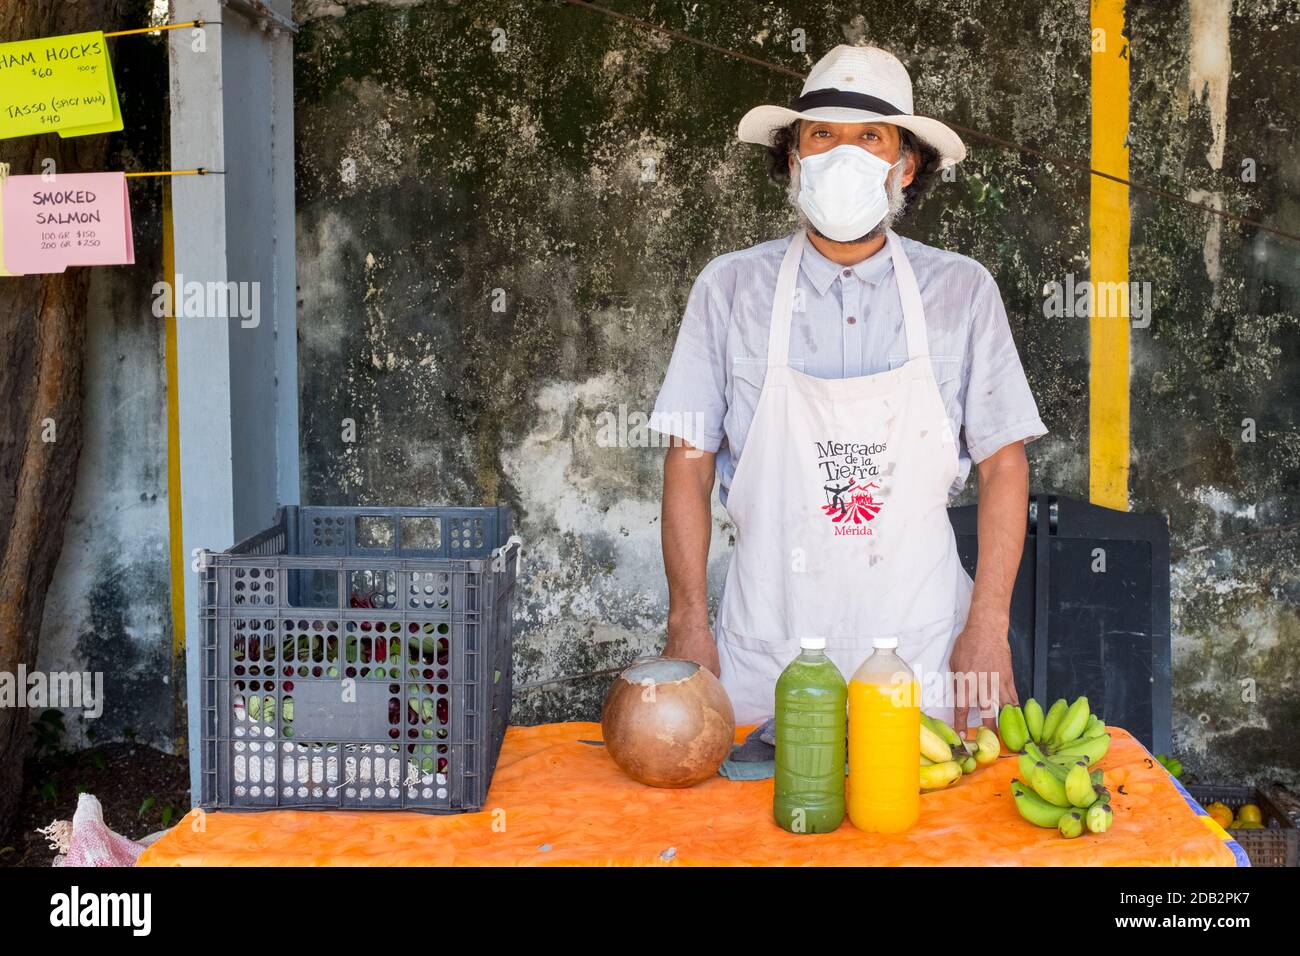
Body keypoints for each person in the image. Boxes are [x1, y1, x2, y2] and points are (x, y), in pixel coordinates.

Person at [649, 45, 1047, 731]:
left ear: (905, 164)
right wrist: (688, 621)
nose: (844, 152)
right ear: (795, 161)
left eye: (870, 137)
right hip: (766, 648)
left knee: (914, 826)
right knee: (763, 824)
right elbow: (688, 462)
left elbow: (1004, 463)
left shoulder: (960, 292)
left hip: (921, 647)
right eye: (822, 135)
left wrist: (986, 626)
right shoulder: (731, 288)